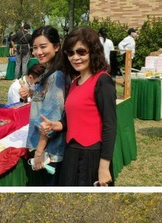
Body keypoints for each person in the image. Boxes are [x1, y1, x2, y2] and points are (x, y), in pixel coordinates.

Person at [38, 27, 116, 186]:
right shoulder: (74, 82)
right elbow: (70, 118)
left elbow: (110, 125)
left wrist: (104, 165)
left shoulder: (102, 81)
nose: (75, 57)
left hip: (92, 155)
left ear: (93, 52)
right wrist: (56, 125)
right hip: (71, 153)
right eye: (70, 53)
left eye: (81, 52)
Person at [24, 26, 68, 184]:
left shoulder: (57, 76)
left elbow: (51, 118)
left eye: (43, 47)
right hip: (44, 149)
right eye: (35, 48)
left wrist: (39, 152)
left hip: (49, 152)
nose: (38, 52)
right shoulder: (48, 72)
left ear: (56, 47)